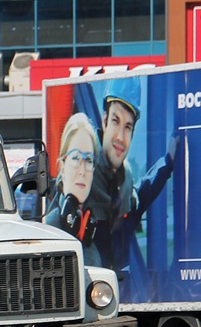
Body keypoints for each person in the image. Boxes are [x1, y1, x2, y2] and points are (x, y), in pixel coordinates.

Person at [85, 82, 179, 274]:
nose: (120, 136)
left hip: (117, 295)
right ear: (104, 121)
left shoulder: (123, 191)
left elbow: (142, 193)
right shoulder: (82, 178)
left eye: (128, 127)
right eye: (115, 121)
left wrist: (168, 162)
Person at [44, 113, 101, 266]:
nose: (82, 170)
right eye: (76, 158)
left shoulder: (93, 243)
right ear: (62, 166)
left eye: (88, 160)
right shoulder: (48, 233)